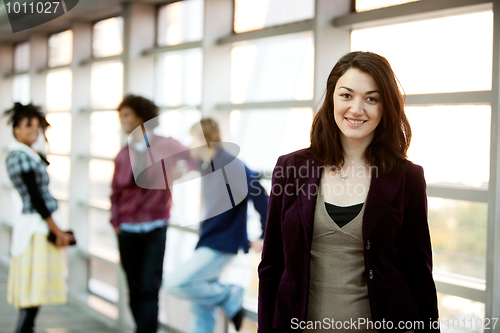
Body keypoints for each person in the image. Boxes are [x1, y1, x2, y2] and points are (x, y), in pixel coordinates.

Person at [258, 51, 440, 332]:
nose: (356, 109)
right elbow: (271, 266)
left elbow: (418, 272)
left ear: (385, 106)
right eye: (346, 95)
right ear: (332, 97)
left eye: (371, 98)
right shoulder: (291, 168)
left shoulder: (407, 177)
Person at [165, 118, 268, 333]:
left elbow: (259, 194)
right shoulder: (207, 164)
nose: (189, 143)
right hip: (211, 239)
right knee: (202, 308)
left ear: (205, 139)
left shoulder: (229, 164)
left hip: (222, 243)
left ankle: (228, 294)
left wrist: (264, 234)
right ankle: (221, 297)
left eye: (192, 138)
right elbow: (188, 161)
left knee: (175, 283)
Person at [110, 95, 194, 333]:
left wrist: (180, 172)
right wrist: (115, 221)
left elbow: (195, 157)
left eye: (126, 115)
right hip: (126, 230)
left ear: (141, 116)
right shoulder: (122, 154)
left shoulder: (165, 144)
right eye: (120, 116)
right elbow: (115, 191)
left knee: (149, 287)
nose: (122, 120)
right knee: (135, 289)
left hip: (155, 227)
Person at [4, 102, 74, 333]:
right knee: (32, 298)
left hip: (34, 226)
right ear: (16, 129)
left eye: (37, 126)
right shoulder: (22, 157)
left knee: (32, 296)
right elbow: (37, 200)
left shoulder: (24, 154)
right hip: (37, 229)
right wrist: (58, 232)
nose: (34, 130)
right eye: (28, 126)